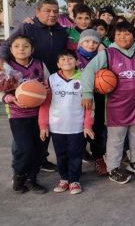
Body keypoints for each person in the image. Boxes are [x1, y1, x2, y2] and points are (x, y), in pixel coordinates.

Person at [81, 21, 135, 184]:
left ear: (133, 35)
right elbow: (88, 71)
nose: (123, 37)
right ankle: (113, 168)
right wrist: (87, 93)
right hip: (117, 104)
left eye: (127, 33)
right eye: (119, 34)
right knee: (116, 138)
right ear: (114, 37)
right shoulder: (108, 53)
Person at [0, 0, 67, 172]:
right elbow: (6, 46)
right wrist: (4, 67)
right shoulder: (27, 26)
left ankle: (41, 159)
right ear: (37, 12)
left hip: (53, 83)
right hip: (28, 85)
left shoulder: (61, 30)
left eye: (55, 11)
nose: (52, 14)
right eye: (47, 10)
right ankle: (19, 170)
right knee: (23, 136)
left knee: (45, 124)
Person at [38, 51, 94, 195]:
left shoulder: (84, 78)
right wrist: (43, 125)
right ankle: (64, 179)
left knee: (75, 154)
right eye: (62, 59)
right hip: (57, 126)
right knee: (61, 154)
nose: (66, 61)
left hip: (76, 126)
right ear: (58, 64)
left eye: (70, 58)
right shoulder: (51, 79)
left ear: (77, 62)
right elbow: (45, 104)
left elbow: (89, 105)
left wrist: (87, 125)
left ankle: (74, 180)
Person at [0, 35, 50, 194]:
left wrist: (45, 90)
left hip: (40, 114)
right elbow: (1, 92)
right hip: (18, 114)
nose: (21, 49)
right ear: (11, 50)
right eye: (17, 46)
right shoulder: (5, 68)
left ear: (32, 49)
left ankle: (32, 178)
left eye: (25, 46)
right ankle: (19, 175)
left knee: (39, 149)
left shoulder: (40, 65)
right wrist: (10, 98)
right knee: (25, 148)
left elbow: (48, 85)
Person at [75, 30, 108, 175]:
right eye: (87, 41)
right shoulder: (72, 58)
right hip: (77, 99)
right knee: (78, 130)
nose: (91, 44)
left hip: (98, 98)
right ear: (80, 43)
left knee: (97, 129)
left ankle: (98, 157)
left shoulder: (102, 58)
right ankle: (76, 161)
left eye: (95, 42)